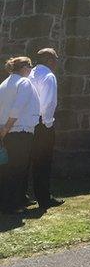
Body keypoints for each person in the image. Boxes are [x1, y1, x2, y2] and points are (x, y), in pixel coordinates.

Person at [0, 57, 40, 214]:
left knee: (7, 168)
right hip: (19, 130)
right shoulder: (24, 82)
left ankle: (6, 202)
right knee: (18, 169)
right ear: (24, 67)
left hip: (7, 131)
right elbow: (17, 108)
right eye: (30, 66)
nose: (31, 70)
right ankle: (12, 204)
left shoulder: (4, 84)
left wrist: (4, 130)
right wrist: (7, 128)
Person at [28, 48, 61, 208]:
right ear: (49, 60)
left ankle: (24, 195)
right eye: (55, 59)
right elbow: (48, 103)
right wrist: (48, 123)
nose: (57, 62)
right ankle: (44, 197)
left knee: (29, 160)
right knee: (43, 162)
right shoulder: (48, 75)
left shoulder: (30, 73)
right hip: (42, 124)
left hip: (28, 123)